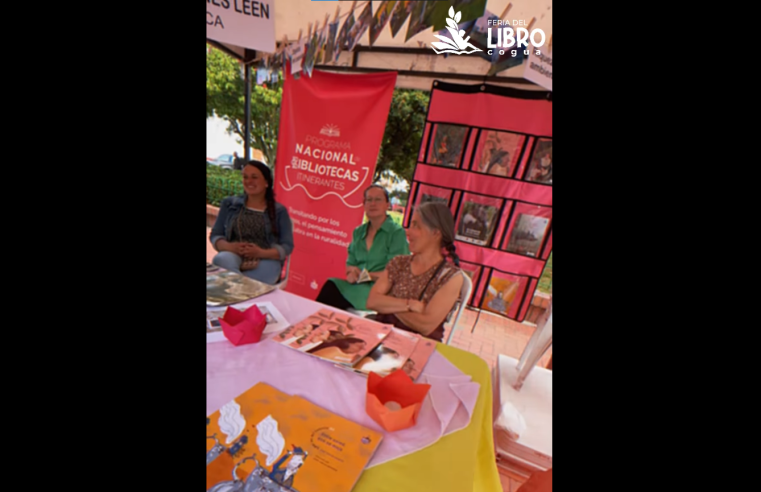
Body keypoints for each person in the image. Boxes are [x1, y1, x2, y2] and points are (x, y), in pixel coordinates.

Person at [366, 202, 464, 342]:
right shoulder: (399, 262)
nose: (408, 231)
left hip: (417, 347)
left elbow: (425, 326)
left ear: (435, 233)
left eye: (416, 225)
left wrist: (389, 300)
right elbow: (372, 301)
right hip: (381, 337)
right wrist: (409, 305)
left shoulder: (450, 277)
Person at [315, 185, 409, 311]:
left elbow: (397, 273)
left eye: (378, 199)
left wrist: (368, 275)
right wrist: (351, 273)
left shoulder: (396, 233)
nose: (373, 204)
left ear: (387, 205)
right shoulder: (358, 232)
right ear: (364, 205)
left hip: (380, 291)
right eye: (369, 200)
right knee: (331, 285)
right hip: (357, 287)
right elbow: (350, 263)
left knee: (331, 300)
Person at [210, 160, 294, 284]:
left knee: (250, 281)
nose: (249, 181)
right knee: (221, 259)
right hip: (233, 255)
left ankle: (237, 287)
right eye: (245, 177)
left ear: (266, 182)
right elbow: (216, 235)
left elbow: (287, 246)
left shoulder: (279, 211)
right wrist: (231, 247)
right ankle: (240, 287)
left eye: (254, 177)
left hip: (265, 259)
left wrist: (260, 252)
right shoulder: (229, 204)